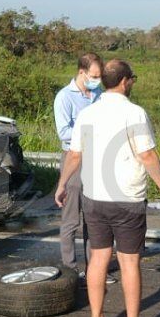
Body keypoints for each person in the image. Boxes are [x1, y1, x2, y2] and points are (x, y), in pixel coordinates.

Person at [54, 59, 160, 317]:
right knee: (129, 262)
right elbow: (147, 155)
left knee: (98, 258)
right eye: (132, 78)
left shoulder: (88, 113)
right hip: (127, 199)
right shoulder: (134, 113)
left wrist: (62, 184)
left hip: (94, 197)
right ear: (124, 81)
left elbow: (74, 154)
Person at [53, 52, 103, 276]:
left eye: (100, 76)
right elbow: (64, 132)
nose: (97, 80)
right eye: (94, 76)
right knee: (71, 219)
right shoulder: (64, 97)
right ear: (82, 72)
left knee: (94, 218)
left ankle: (95, 270)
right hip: (74, 159)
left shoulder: (98, 94)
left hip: (96, 159)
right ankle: (70, 270)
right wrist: (91, 132)